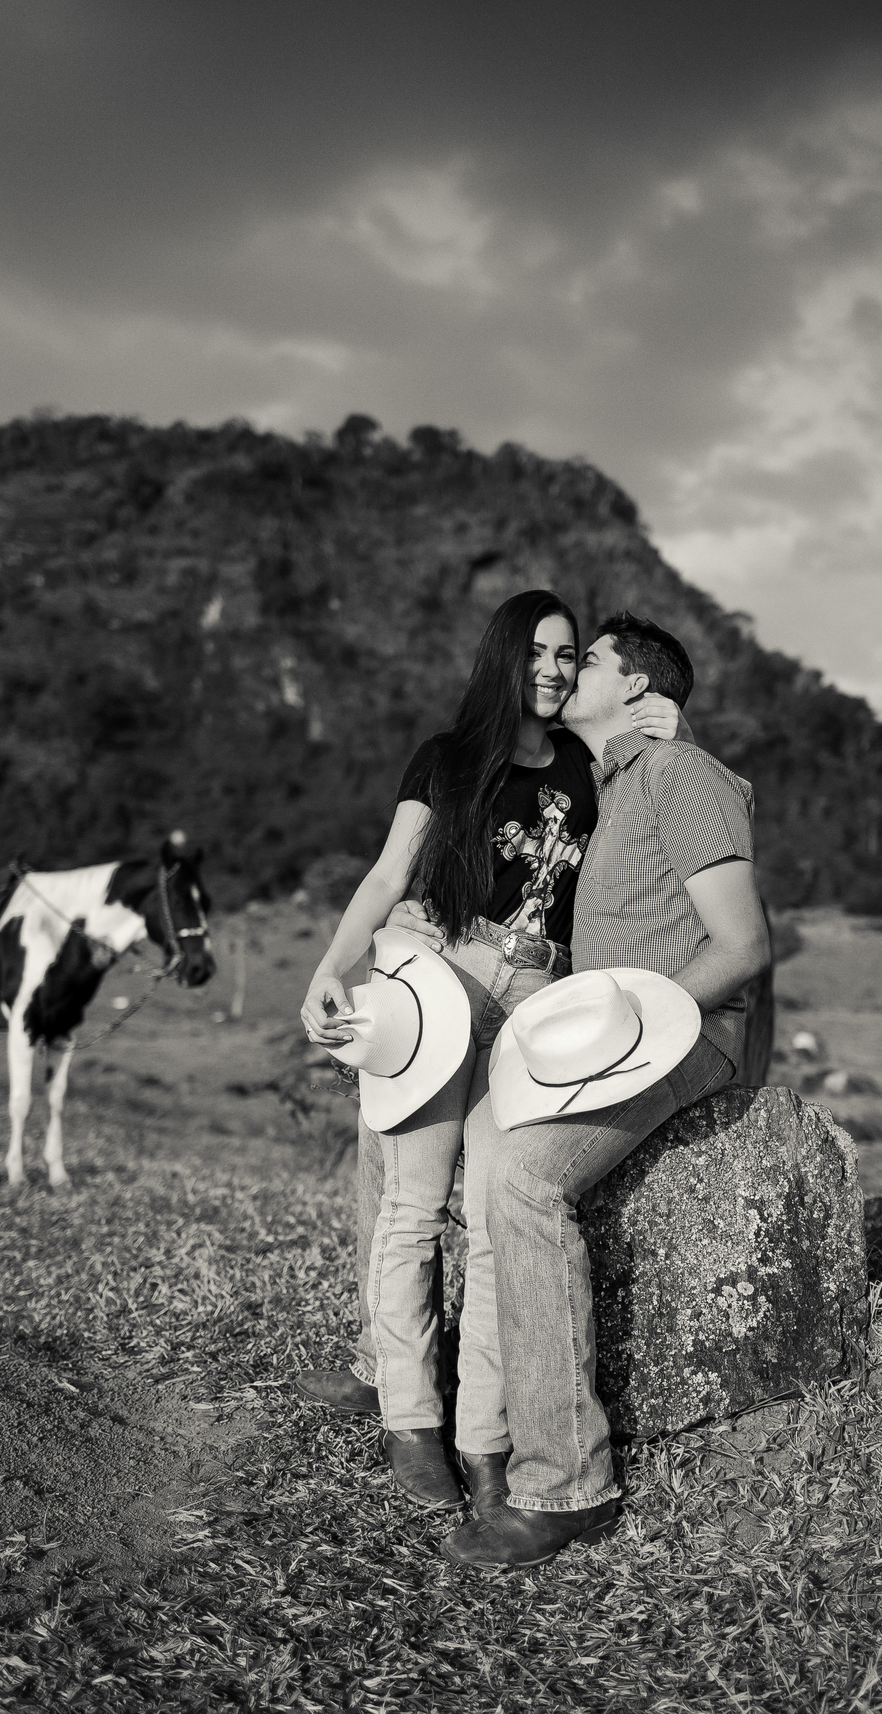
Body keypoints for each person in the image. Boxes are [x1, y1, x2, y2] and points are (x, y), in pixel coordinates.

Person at [296, 591, 684, 1513]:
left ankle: (484, 1440)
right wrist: (331, 965)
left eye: (568, 656)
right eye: (539, 653)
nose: (553, 670)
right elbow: (391, 873)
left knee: (494, 1224)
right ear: (507, 657)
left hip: (542, 999)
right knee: (413, 1207)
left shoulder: (593, 768)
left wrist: (673, 725)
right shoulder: (449, 760)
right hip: (451, 978)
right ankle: (411, 1422)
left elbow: (668, 805)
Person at [420, 610, 771, 1568]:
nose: (569, 670)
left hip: (681, 1036)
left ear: (640, 690)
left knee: (529, 1181)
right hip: (608, 1039)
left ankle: (568, 1482)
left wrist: (640, 1025)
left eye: (592, 660)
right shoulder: (617, 786)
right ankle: (463, 1425)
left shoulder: (681, 776)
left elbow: (744, 947)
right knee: (479, 1163)